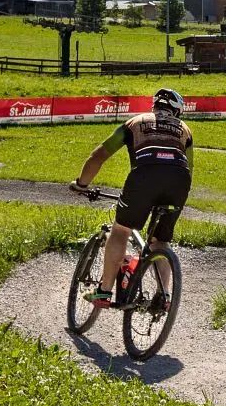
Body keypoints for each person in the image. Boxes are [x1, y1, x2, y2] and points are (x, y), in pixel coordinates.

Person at [69, 88, 194, 309]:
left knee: (121, 230)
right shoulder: (184, 129)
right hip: (179, 182)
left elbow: (99, 155)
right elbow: (189, 167)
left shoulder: (135, 122)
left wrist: (82, 184)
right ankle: (164, 296)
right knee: (160, 241)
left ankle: (104, 292)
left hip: (144, 176)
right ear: (177, 111)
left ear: (154, 106)